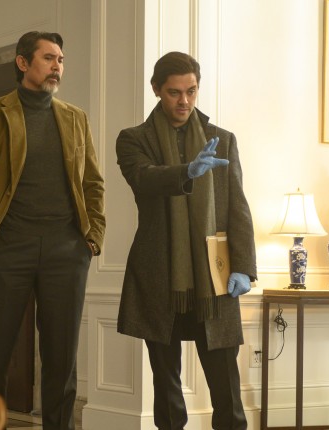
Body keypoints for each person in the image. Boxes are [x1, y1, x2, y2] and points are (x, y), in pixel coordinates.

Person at [0, 31, 105, 430]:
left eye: (61, 60)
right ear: (23, 63)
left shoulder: (75, 117)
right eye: (49, 58)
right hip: (5, 250)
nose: (57, 66)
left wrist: (92, 238)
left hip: (66, 251)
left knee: (62, 360)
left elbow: (93, 182)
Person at [115, 52, 257, 430]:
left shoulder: (222, 140)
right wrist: (187, 172)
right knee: (167, 388)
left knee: (227, 390)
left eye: (191, 91)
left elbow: (238, 208)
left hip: (214, 277)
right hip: (160, 277)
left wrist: (244, 267)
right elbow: (144, 178)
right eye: (174, 92)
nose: (184, 101)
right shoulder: (134, 139)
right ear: (156, 90)